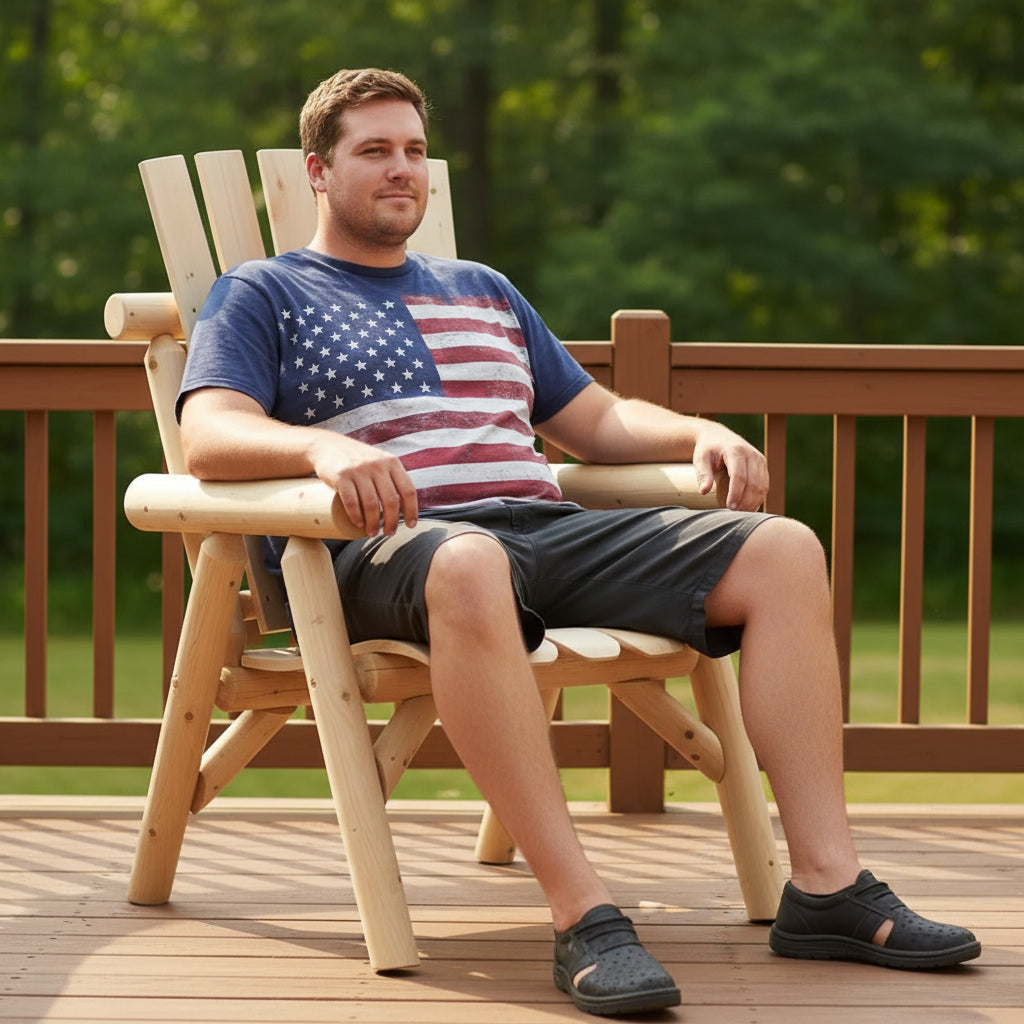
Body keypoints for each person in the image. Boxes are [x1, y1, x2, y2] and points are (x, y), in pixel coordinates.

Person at [176, 68, 980, 1016]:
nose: (403, 170)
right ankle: (584, 915)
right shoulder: (263, 291)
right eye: (375, 151)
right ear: (318, 170)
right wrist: (319, 445)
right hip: (393, 547)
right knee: (470, 559)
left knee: (782, 548)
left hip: (545, 530)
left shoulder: (484, 290)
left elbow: (594, 422)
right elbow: (209, 432)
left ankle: (829, 888)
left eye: (416, 152)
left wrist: (696, 433)